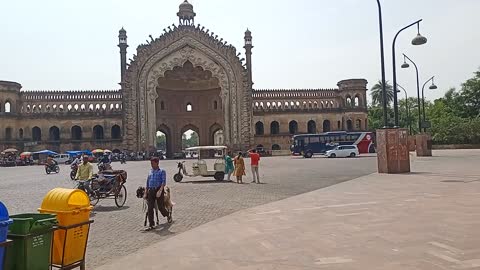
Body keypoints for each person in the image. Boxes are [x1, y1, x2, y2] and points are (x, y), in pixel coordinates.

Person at [144, 157, 171, 230]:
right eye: (151, 163)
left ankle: (167, 214)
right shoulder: (150, 171)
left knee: (160, 207)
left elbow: (163, 182)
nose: (152, 165)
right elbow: (147, 182)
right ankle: (151, 224)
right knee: (150, 207)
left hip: (159, 189)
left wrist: (160, 190)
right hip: (151, 190)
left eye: (153, 163)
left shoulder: (162, 171)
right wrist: (146, 192)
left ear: (157, 163)